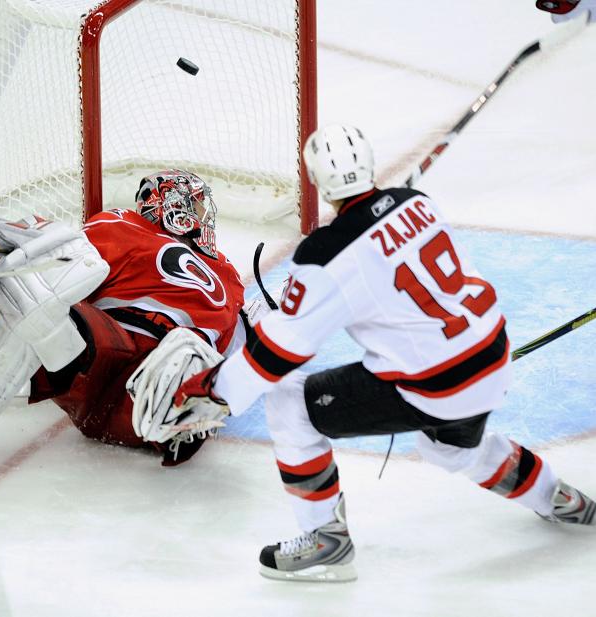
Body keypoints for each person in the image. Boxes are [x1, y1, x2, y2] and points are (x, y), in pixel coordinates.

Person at [160, 125, 595, 582]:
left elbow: (277, 354)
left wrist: (212, 391)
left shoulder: (327, 255)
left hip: (437, 384)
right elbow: (387, 244)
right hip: (491, 357)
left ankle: (325, 538)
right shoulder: (418, 204)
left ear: (316, 181)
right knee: (447, 449)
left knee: (290, 400)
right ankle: (559, 497)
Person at [0, 170, 246, 468]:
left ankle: (175, 409)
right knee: (27, 290)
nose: (203, 218)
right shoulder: (123, 226)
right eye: (196, 208)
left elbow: (243, 347)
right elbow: (67, 262)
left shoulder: (228, 273)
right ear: (174, 208)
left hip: (150, 395)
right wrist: (25, 245)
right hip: (107, 358)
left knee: (188, 358)